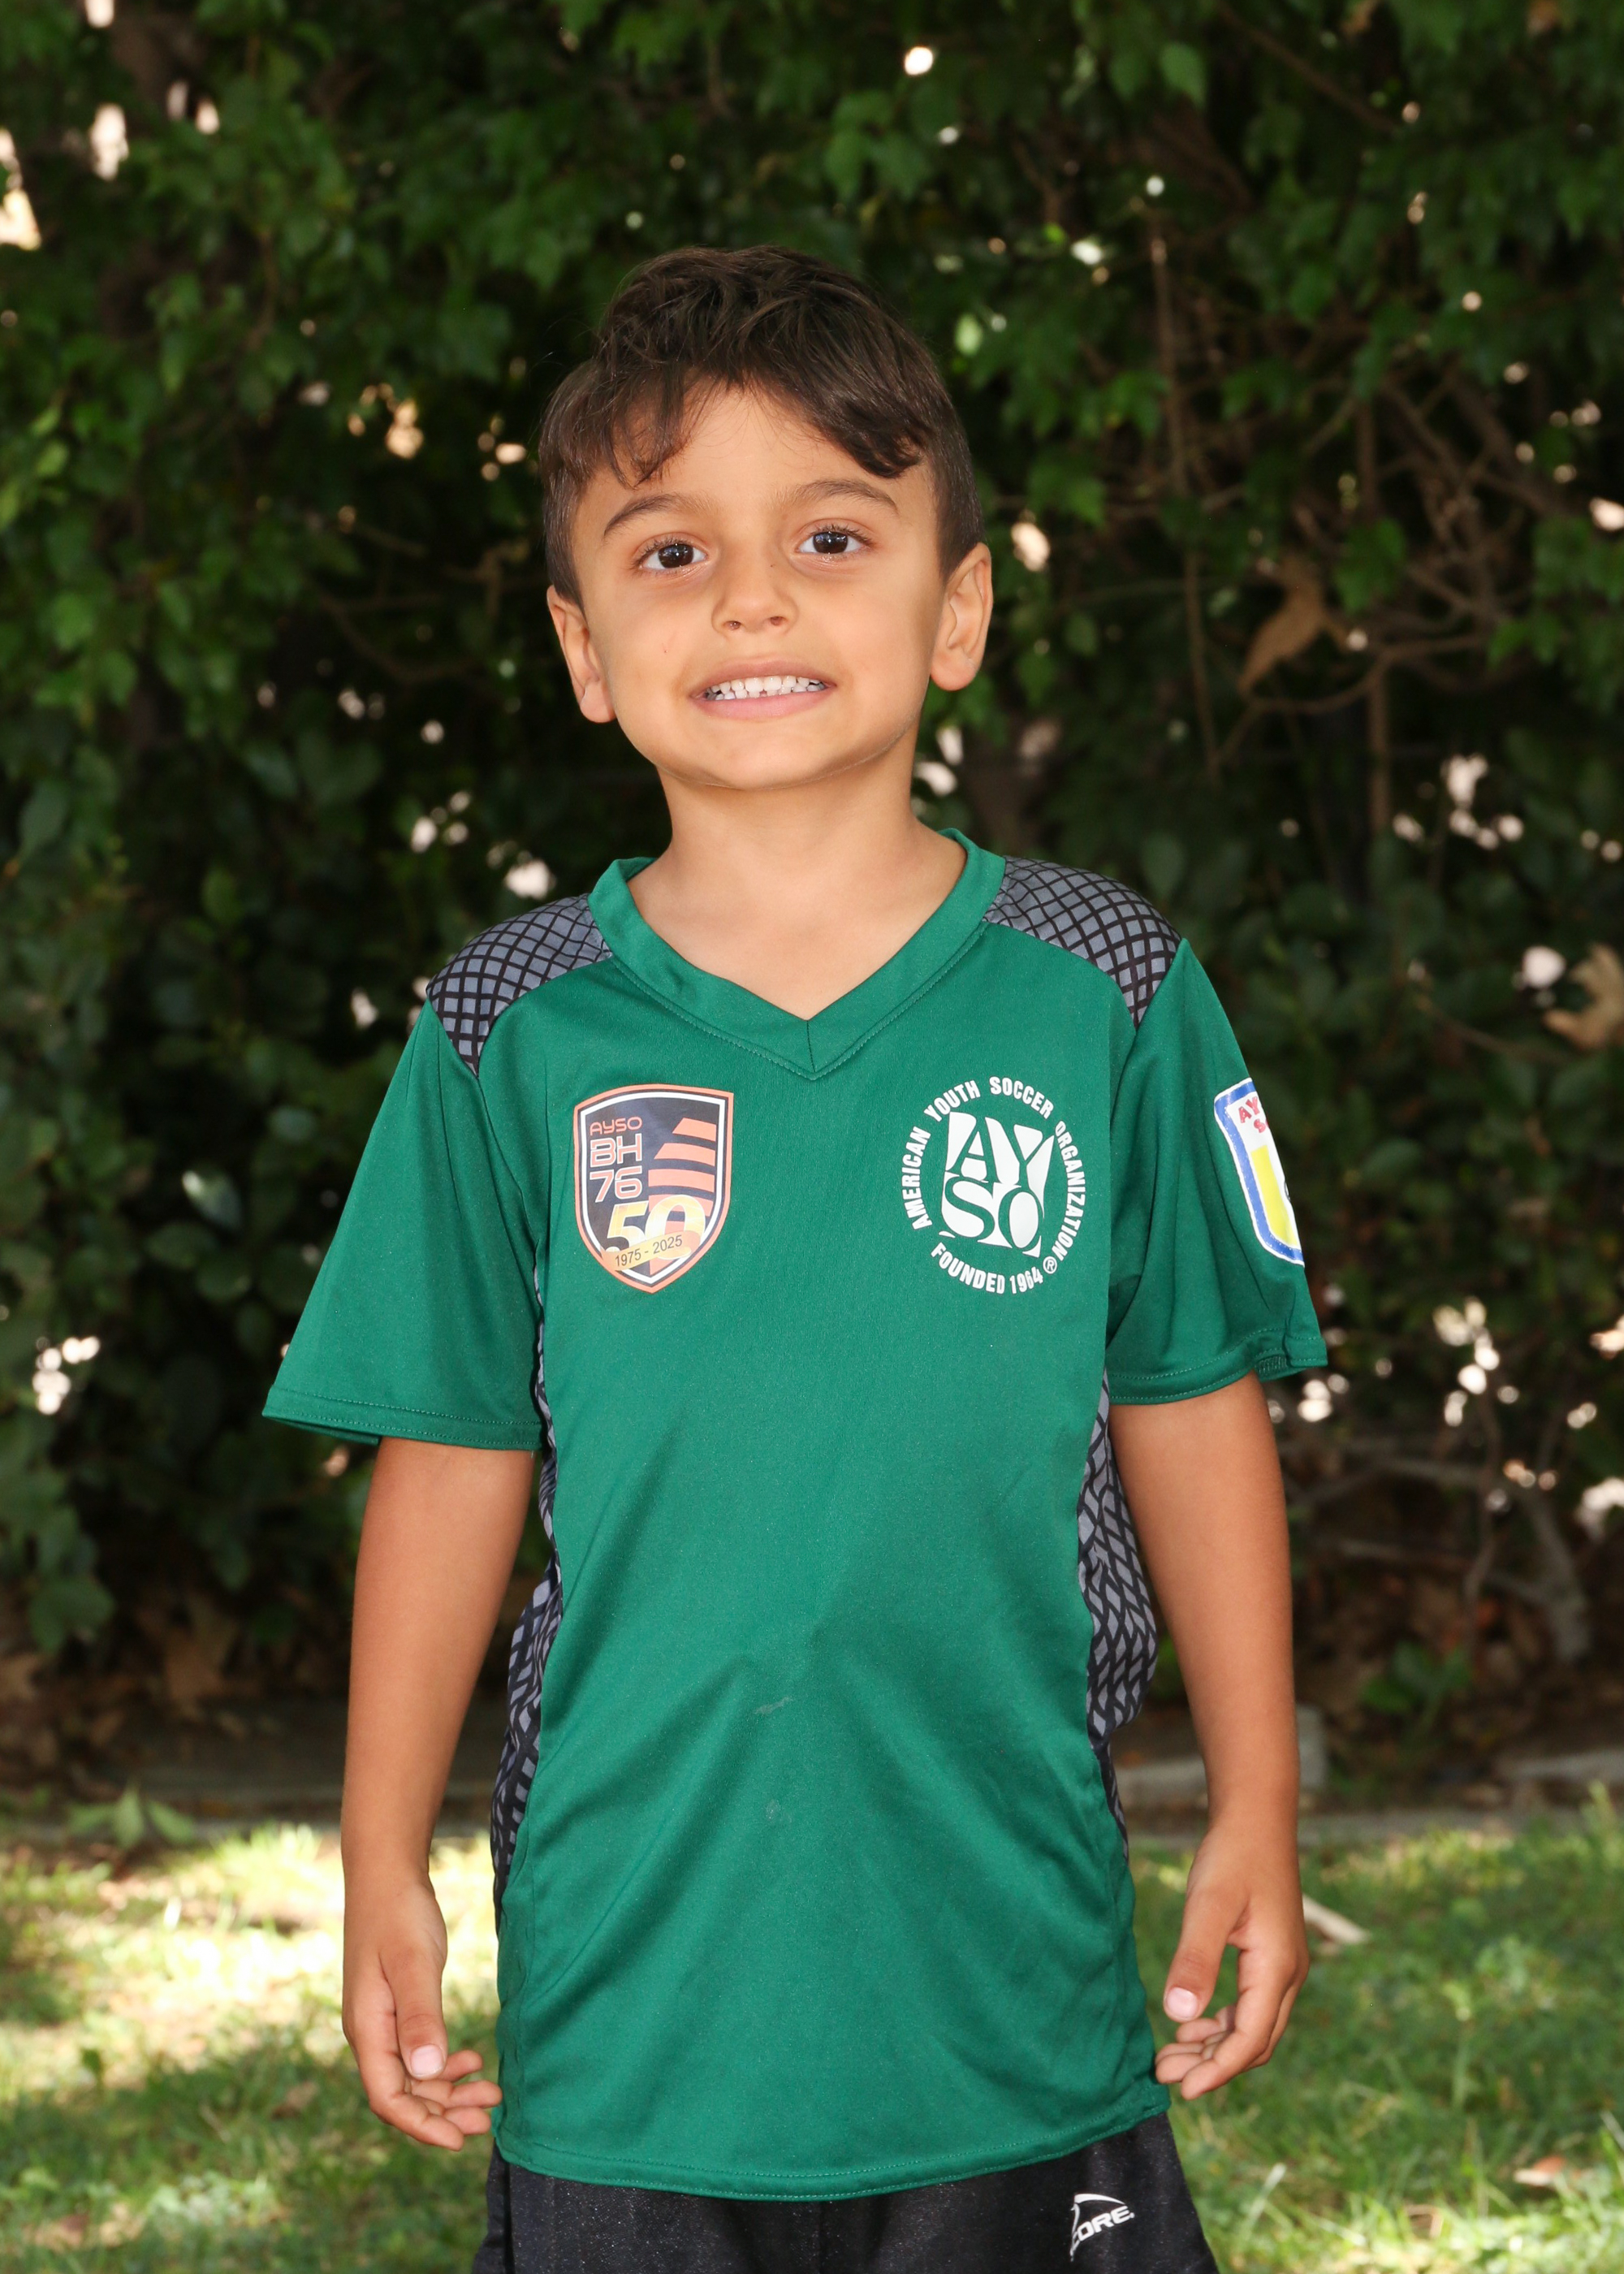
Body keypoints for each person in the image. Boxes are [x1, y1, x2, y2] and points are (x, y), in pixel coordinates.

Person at [266, 245, 1325, 2274]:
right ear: (583, 649)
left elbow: (1191, 1399)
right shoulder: (508, 1028)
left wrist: (1258, 1801)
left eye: (830, 536)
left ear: (958, 610)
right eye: (671, 553)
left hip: (1015, 1993)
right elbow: (453, 1450)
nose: (751, 598)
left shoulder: (1105, 989)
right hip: (631, 2005)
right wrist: (380, 1847)